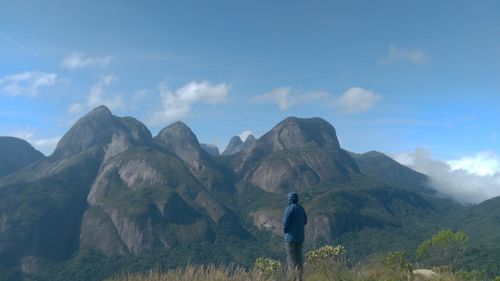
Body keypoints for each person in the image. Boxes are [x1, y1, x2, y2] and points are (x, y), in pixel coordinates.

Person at [282, 192, 307, 281]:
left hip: (290, 239)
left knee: (291, 260)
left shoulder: (289, 209)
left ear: (289, 199)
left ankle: (293, 278)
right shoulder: (301, 208)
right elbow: (305, 221)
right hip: (300, 238)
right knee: (299, 259)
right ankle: (300, 278)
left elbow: (285, 223)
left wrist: (286, 231)